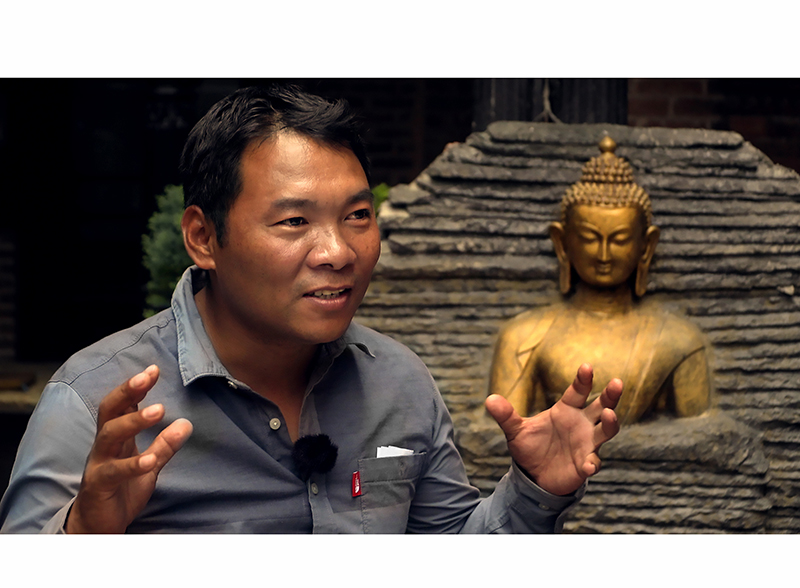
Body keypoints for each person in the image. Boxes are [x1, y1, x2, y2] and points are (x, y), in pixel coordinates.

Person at [0, 84, 621, 534]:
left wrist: (534, 490)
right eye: (295, 221)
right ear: (203, 237)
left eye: (358, 215)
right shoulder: (97, 402)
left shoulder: (397, 381)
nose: (338, 252)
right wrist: (83, 538)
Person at [489, 136, 710, 426]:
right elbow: (503, 435)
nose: (604, 255)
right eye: (589, 238)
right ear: (562, 243)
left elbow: (703, 439)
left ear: (646, 246)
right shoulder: (523, 338)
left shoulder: (679, 341)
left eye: (620, 240)